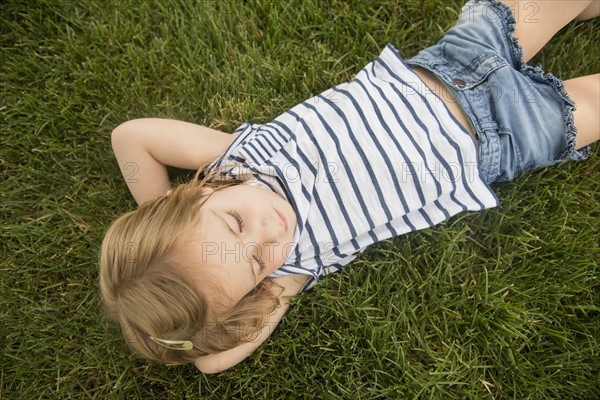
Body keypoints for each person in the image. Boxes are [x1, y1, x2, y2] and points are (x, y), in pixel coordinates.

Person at [99, 0, 599, 374]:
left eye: (234, 224)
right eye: (254, 262)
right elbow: (213, 361)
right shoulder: (295, 266)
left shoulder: (235, 157)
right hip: (506, 138)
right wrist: (199, 330)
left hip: (450, 62)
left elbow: (131, 137)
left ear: (197, 193)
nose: (269, 233)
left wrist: (161, 205)